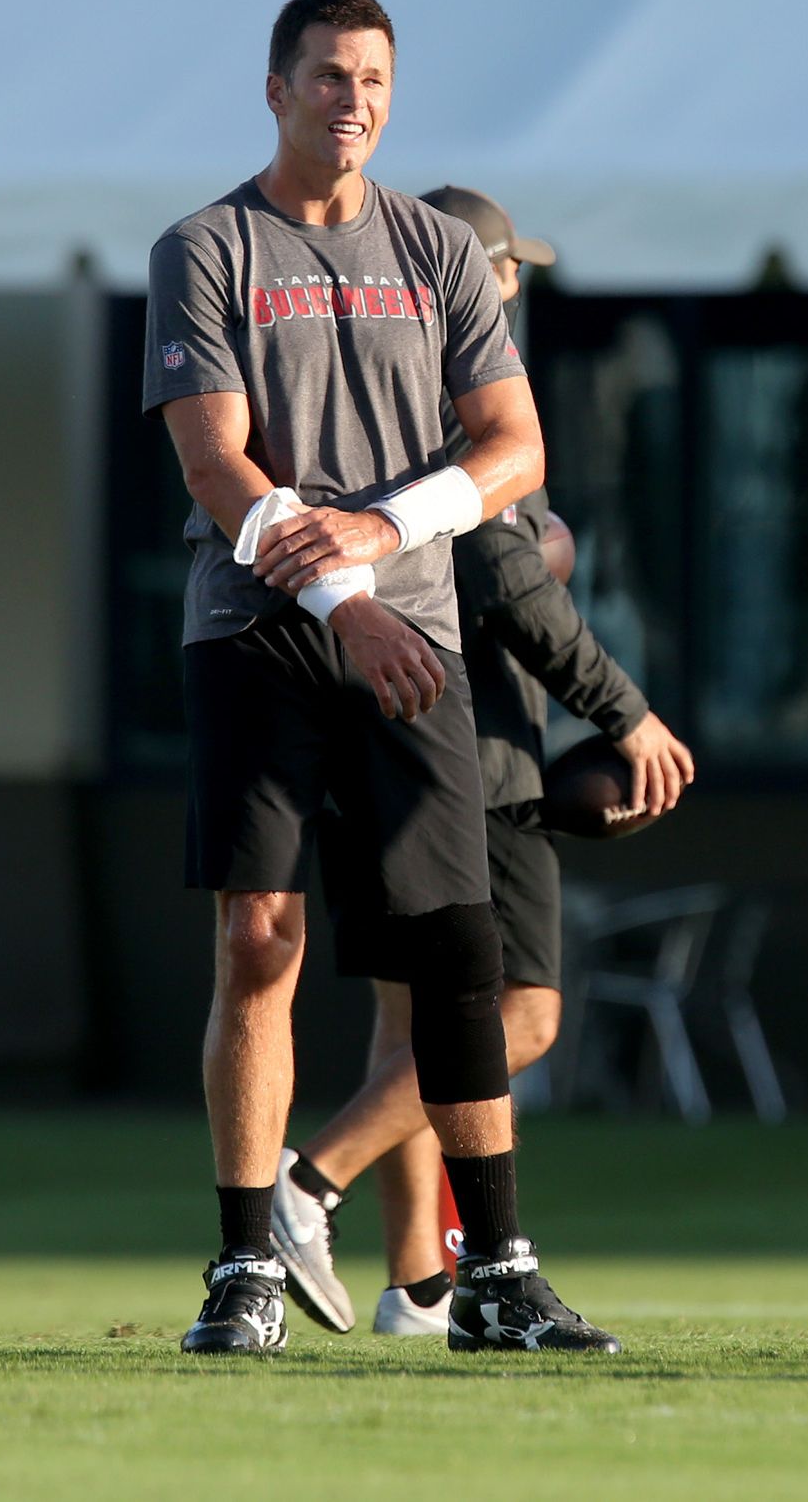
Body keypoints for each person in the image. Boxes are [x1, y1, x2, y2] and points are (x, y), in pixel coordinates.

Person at [147, 0, 616, 1354]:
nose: (351, 102)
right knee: (259, 937)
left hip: (412, 637)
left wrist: (386, 530)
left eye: (372, 81)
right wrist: (346, 594)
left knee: (456, 952)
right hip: (257, 632)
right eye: (326, 77)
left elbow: (514, 450)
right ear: (275, 89)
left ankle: (493, 1275)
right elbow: (215, 464)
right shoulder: (207, 245)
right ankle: (243, 1268)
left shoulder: (441, 252)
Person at [263, 187, 696, 1339]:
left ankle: (419, 1285)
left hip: (378, 729)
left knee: (407, 1029)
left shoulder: (375, 383)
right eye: (516, 272)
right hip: (479, 757)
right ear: (488, 272)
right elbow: (511, 583)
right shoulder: (466, 381)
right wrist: (628, 711)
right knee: (527, 1015)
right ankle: (305, 1186)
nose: (518, 290)